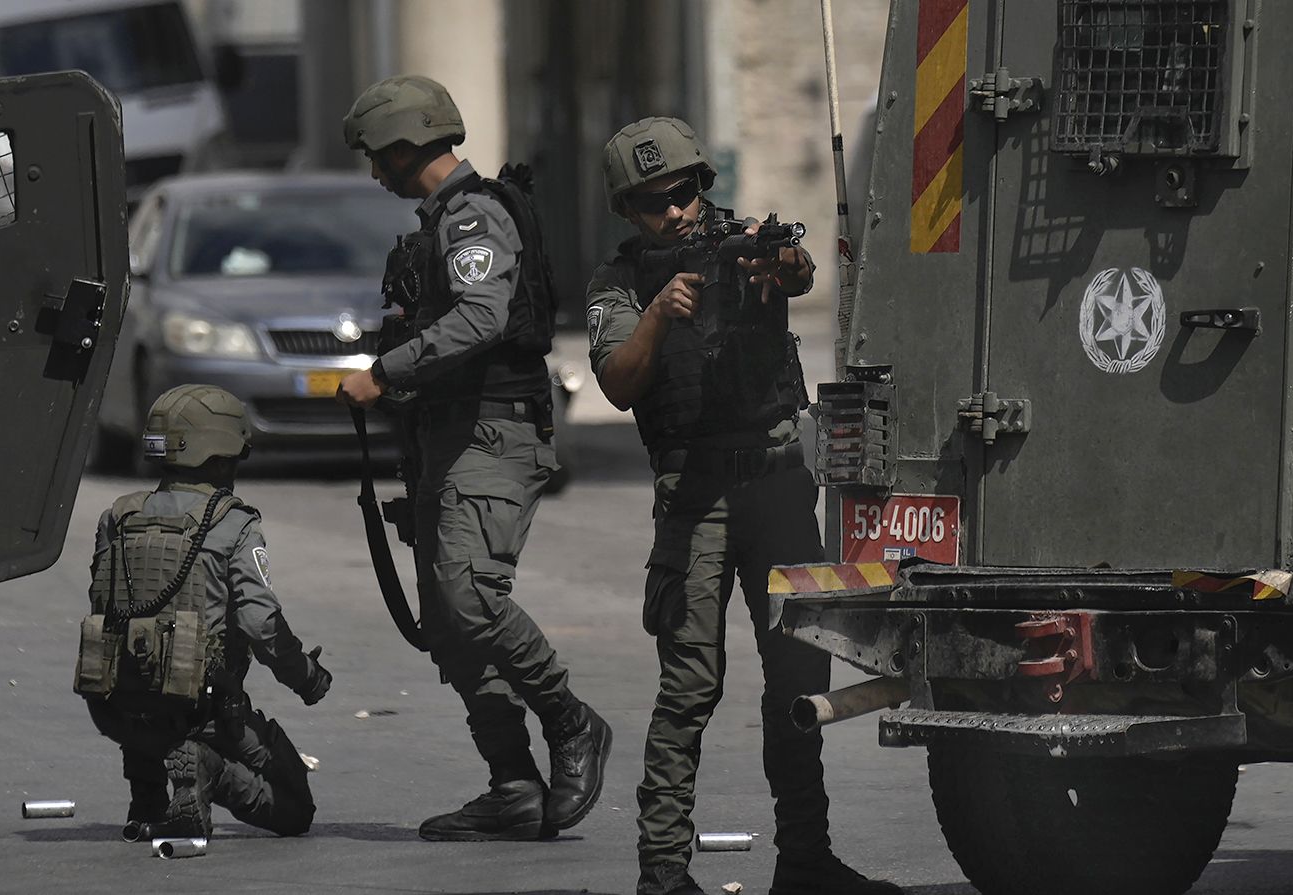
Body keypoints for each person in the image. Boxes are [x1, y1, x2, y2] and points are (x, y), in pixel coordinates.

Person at [586, 117, 902, 895]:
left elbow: (797, 273)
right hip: (693, 490)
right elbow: (619, 383)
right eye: (655, 202)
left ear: (704, 186)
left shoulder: (742, 243)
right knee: (689, 686)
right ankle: (663, 873)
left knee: (798, 677)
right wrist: (662, 311)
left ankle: (805, 858)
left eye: (686, 193)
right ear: (630, 211)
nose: (677, 212)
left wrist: (783, 261)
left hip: (775, 480)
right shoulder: (619, 284)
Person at [335, 74, 611, 842]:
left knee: (468, 597)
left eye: (376, 156)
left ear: (403, 145)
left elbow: (483, 317)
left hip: (492, 433)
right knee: (451, 628)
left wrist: (384, 371)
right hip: (442, 435)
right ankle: (513, 784)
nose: (373, 172)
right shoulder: (436, 225)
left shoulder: (474, 217)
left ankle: (570, 719)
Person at [75, 384, 331, 841]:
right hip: (203, 711)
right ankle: (209, 769)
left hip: (116, 710)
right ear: (221, 456)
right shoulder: (233, 523)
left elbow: (106, 610)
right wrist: (307, 677)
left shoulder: (117, 517)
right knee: (296, 810)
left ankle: (147, 797)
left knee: (144, 679)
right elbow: (261, 625)